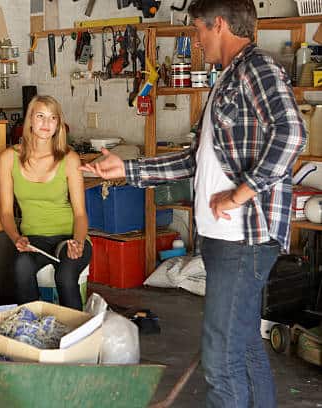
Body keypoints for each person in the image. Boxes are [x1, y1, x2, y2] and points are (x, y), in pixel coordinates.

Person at [82, 1, 306, 406]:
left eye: (197, 30)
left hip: (244, 238)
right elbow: (194, 160)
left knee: (221, 361)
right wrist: (127, 170)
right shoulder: (228, 78)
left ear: (218, 25)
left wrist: (241, 192)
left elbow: (291, 133)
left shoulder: (256, 68)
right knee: (244, 347)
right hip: (228, 239)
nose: (196, 41)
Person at [0, 95, 92, 310]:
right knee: (21, 266)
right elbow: (5, 212)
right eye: (40, 116)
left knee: (66, 275)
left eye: (52, 118)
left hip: (69, 236)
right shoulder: (8, 158)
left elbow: (80, 214)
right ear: (30, 119)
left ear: (59, 124)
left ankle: (75, 336)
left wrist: (77, 242)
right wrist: (16, 238)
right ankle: (33, 329)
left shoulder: (69, 158)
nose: (46, 123)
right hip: (33, 239)